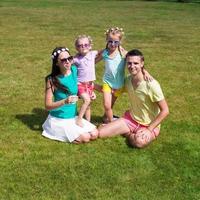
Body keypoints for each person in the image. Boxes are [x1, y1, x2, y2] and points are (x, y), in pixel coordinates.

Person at [98, 49, 169, 148]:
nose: (132, 66)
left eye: (136, 63)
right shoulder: (127, 80)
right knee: (101, 132)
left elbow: (165, 111)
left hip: (149, 125)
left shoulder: (152, 85)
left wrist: (149, 129)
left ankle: (126, 133)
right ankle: (126, 130)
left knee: (139, 143)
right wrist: (107, 113)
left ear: (142, 63)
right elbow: (114, 94)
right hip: (130, 120)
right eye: (129, 63)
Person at [42, 47, 98, 144]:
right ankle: (53, 131)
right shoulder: (52, 80)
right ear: (56, 63)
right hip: (59, 119)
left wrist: (89, 92)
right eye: (63, 60)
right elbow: (47, 106)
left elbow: (79, 86)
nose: (67, 62)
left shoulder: (74, 70)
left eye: (69, 58)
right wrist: (64, 101)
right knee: (85, 137)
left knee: (95, 134)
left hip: (73, 117)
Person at [95, 27, 152, 123]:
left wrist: (145, 72)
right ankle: (110, 122)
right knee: (107, 105)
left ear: (120, 41)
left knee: (111, 104)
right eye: (110, 41)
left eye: (116, 42)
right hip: (107, 82)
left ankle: (106, 117)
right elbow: (93, 62)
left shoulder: (123, 54)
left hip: (119, 84)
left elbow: (135, 61)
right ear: (106, 40)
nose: (113, 44)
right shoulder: (105, 53)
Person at [73, 35, 99, 127]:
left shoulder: (93, 54)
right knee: (87, 100)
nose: (83, 47)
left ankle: (88, 123)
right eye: (80, 45)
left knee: (88, 106)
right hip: (80, 84)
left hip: (89, 85)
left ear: (90, 46)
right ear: (77, 48)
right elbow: (67, 63)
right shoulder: (76, 59)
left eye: (86, 45)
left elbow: (104, 52)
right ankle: (79, 119)